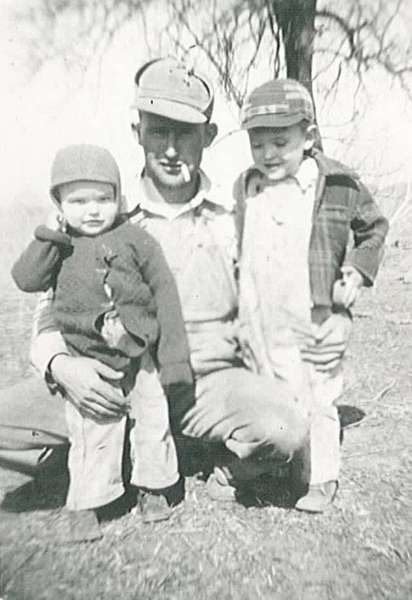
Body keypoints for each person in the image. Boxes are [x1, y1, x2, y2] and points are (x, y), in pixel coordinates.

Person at [0, 58, 350, 518]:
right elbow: (50, 307)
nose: (170, 149)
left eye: (185, 133)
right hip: (108, 378)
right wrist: (62, 365)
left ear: (208, 135)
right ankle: (118, 451)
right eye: (158, 131)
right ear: (137, 131)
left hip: (205, 384)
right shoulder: (100, 214)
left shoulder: (235, 215)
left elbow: (280, 295)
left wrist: (326, 327)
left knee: (285, 427)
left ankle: (195, 458)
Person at [11, 143, 193, 533]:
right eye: (78, 201)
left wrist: (175, 361)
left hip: (140, 354)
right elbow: (25, 279)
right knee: (94, 427)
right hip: (88, 358)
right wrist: (50, 234)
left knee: (152, 419)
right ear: (58, 204)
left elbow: (166, 296)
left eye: (103, 199)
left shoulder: (137, 239)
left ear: (118, 198)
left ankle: (153, 487)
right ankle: (88, 502)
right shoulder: (59, 246)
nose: (92, 210)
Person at [234, 78, 389, 512]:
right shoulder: (247, 186)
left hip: (314, 311)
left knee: (319, 394)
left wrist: (356, 272)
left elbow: (374, 229)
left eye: (280, 142)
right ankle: (278, 466)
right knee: (273, 392)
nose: (268, 154)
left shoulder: (338, 183)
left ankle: (322, 477)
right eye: (258, 144)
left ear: (309, 136)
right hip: (263, 313)